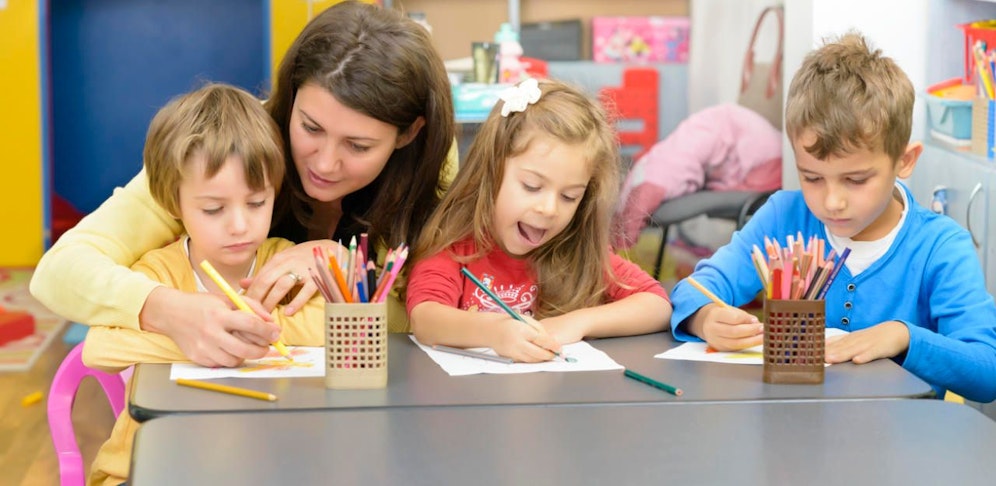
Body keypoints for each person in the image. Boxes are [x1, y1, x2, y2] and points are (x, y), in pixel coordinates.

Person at [30, 1, 456, 367]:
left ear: (408, 134)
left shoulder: (429, 169)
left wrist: (345, 270)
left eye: (358, 146)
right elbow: (61, 270)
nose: (325, 163)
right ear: (290, 99)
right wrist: (165, 310)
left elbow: (437, 313)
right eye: (309, 127)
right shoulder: (229, 148)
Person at [668, 32, 996, 402]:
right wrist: (706, 317)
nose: (832, 202)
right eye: (811, 177)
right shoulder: (782, 217)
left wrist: (904, 337)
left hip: (898, 445)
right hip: (791, 430)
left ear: (904, 161)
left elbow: (987, 370)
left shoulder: (940, 246)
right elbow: (693, 290)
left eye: (855, 180)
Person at [81, 83, 325, 486]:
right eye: (213, 208)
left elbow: (324, 330)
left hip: (263, 460)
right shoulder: (157, 271)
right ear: (175, 204)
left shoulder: (285, 263)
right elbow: (100, 348)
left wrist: (228, 337)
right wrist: (198, 331)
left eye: (257, 203)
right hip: (145, 466)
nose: (240, 225)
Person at [406, 78, 671, 362]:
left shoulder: (575, 252)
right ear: (491, 170)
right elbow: (425, 318)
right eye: (532, 186)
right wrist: (497, 332)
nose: (549, 209)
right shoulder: (456, 247)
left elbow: (657, 305)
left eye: (569, 197)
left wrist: (578, 322)